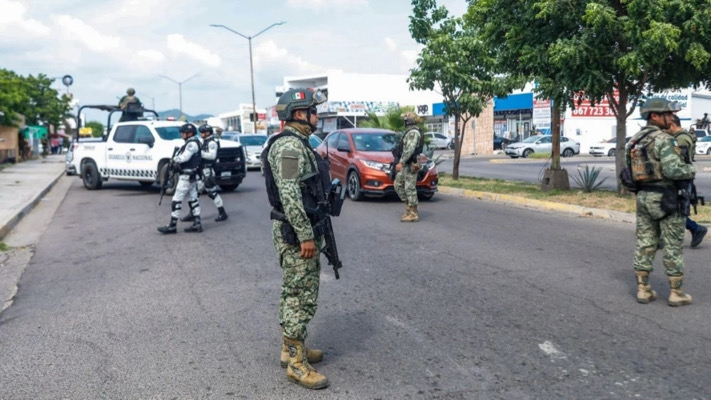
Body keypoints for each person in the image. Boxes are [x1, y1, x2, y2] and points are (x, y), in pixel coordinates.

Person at [263, 88, 330, 390]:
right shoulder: (289, 147)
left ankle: (290, 348)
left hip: (299, 230)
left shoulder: (298, 143)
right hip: (296, 234)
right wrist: (305, 235)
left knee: (294, 291)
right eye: (313, 110)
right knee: (301, 297)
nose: (317, 115)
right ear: (299, 114)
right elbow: (290, 195)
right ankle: (296, 365)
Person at [626, 98, 695, 306]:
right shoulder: (665, 139)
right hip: (666, 198)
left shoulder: (635, 140)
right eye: (668, 114)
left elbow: (628, 173)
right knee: (673, 244)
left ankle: (643, 289)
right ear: (654, 116)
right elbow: (673, 170)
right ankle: (676, 292)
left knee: (645, 242)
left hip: (644, 197)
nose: (671, 117)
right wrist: (691, 169)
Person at [667, 114, 707, 248]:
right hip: (678, 177)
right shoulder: (677, 137)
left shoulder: (681, 138)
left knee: (674, 210)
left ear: (672, 124)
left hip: (681, 178)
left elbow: (679, 160)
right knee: (670, 209)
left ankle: (695, 228)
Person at [158, 123, 203, 234]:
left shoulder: (191, 144)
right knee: (193, 199)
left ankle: (172, 225)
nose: (182, 134)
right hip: (191, 176)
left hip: (186, 177)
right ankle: (197, 223)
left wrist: (174, 160)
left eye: (183, 133)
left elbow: (185, 157)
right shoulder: (192, 142)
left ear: (189, 133)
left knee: (176, 200)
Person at [181, 124, 228, 223]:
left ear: (208, 132)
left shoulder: (211, 143)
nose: (201, 134)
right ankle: (193, 213)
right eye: (201, 132)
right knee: (194, 193)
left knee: (212, 192)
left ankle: (222, 212)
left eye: (203, 132)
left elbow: (212, 156)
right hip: (201, 171)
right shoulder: (204, 142)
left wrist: (199, 153)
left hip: (207, 171)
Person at [393, 112, 424, 222]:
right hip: (406, 163)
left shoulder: (413, 133)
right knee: (398, 185)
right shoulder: (408, 132)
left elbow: (410, 149)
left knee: (409, 188)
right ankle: (408, 207)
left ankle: (413, 213)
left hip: (411, 164)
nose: (404, 122)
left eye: (405, 120)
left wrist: (401, 162)